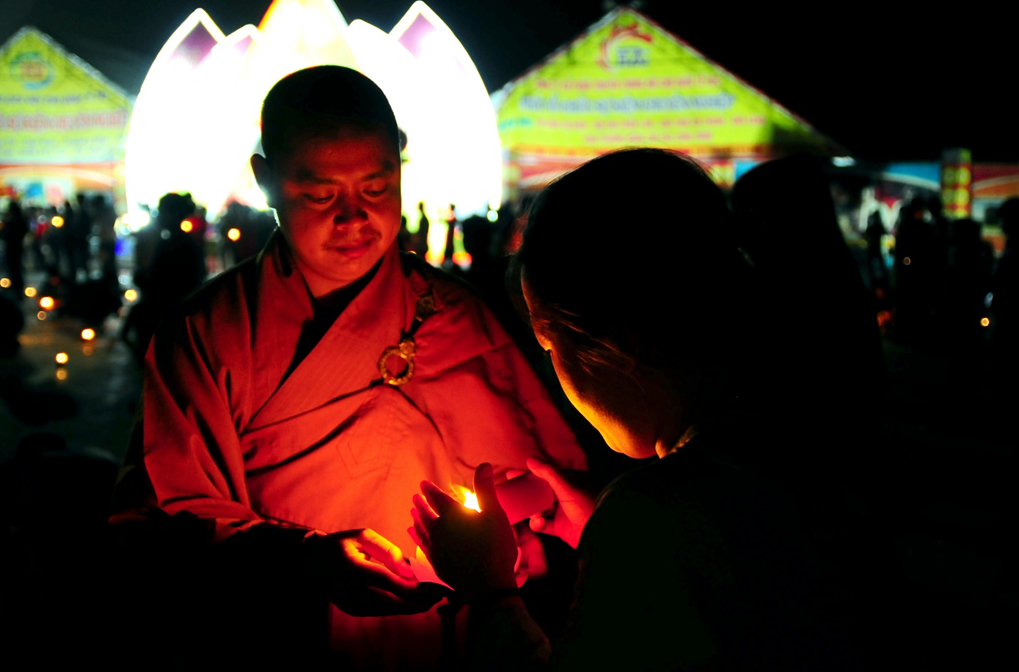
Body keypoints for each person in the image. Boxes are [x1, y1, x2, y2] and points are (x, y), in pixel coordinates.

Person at [111, 65, 584, 668]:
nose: (354, 218)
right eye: (320, 195)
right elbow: (160, 521)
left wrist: (509, 535)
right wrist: (303, 559)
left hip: (446, 644)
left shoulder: (455, 314)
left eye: (377, 188)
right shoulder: (207, 333)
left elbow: (551, 480)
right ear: (266, 180)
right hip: (283, 636)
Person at [413, 149, 855, 670]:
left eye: (549, 345)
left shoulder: (654, 516)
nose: (553, 369)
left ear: (618, 345)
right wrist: (599, 533)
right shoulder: (802, 450)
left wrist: (491, 593)